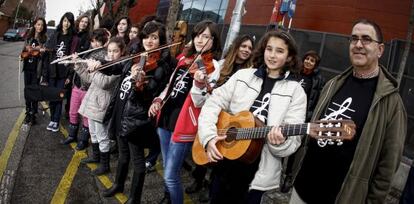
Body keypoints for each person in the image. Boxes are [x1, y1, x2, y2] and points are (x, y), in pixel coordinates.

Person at [291, 19, 407, 204]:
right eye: (354, 39)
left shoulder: (391, 103)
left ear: (380, 50)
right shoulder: (332, 85)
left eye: (366, 39)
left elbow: (387, 167)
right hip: (301, 191)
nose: (358, 44)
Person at [197, 30, 306, 203]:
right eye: (269, 49)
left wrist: (280, 141)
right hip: (225, 161)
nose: (272, 55)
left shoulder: (296, 92)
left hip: (257, 177)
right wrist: (209, 137)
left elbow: (293, 142)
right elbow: (212, 103)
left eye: (279, 51)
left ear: (290, 57)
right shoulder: (242, 76)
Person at [148, 20, 222, 204]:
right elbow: (171, 85)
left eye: (206, 36)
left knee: (171, 175)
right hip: (166, 117)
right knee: (166, 166)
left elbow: (201, 101)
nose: (200, 39)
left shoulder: (212, 66)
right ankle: (167, 197)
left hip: (184, 124)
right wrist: (158, 100)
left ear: (213, 40)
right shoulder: (184, 57)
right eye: (198, 35)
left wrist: (198, 83)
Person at [102, 21, 173, 203]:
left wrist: (139, 82)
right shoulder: (136, 55)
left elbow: (149, 94)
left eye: (154, 37)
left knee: (138, 160)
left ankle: (135, 198)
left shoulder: (161, 65)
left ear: (161, 40)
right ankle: (118, 184)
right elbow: (116, 66)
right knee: (123, 153)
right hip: (122, 111)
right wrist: (98, 63)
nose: (149, 41)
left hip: (137, 118)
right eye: (146, 36)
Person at [185, 34, 255, 203]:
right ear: (236, 47)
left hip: (230, 119)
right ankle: (198, 179)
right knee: (203, 148)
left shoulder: (251, 72)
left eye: (249, 48)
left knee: (220, 154)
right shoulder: (222, 65)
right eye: (243, 46)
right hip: (213, 113)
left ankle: (210, 186)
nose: (246, 50)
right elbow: (210, 86)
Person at [74, 37, 125, 175]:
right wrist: (78, 65)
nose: (112, 54)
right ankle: (96, 157)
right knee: (93, 133)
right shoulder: (104, 63)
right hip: (92, 102)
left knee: (103, 137)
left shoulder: (118, 67)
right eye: (109, 51)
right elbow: (89, 79)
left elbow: (104, 83)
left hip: (102, 105)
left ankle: (105, 165)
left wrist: (94, 69)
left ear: (121, 52)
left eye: (115, 51)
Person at [280, 50, 325, 192]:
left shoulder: (317, 80)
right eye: (307, 59)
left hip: (302, 119)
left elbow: (317, 101)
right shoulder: (294, 73)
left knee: (294, 148)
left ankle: (288, 176)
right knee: (280, 142)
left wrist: (310, 117)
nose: (309, 62)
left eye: (312, 60)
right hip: (286, 115)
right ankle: (277, 172)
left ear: (315, 64)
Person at [61, 28, 108, 150]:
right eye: (93, 41)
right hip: (77, 86)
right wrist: (76, 60)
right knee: (73, 112)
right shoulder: (88, 51)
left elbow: (88, 77)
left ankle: (83, 140)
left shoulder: (103, 55)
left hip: (89, 90)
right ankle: (72, 135)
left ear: (103, 41)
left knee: (86, 117)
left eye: (98, 41)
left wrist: (79, 64)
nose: (95, 44)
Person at [43, 12, 79, 132]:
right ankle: (52, 119)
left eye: (69, 21)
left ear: (71, 23)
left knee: (59, 97)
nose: (66, 23)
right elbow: (48, 53)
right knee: (51, 96)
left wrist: (69, 75)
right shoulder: (55, 34)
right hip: (52, 71)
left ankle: (56, 121)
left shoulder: (73, 39)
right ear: (61, 21)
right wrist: (45, 74)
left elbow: (72, 60)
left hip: (63, 73)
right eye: (64, 20)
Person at [21, 17, 48, 125]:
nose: (39, 27)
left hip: (36, 70)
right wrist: (23, 54)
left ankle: (33, 113)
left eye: (41, 25)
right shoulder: (29, 37)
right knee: (27, 91)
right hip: (27, 68)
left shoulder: (44, 39)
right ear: (35, 25)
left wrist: (42, 51)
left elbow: (45, 56)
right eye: (38, 24)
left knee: (35, 92)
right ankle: (28, 112)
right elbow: (23, 50)